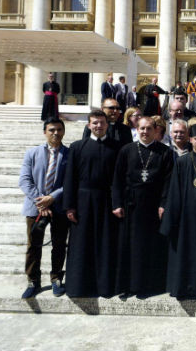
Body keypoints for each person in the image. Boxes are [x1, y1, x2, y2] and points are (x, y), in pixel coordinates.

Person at [112, 116, 174, 297]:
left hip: (154, 206)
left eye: (149, 128)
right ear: (137, 129)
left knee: (150, 246)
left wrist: (163, 204)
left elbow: (168, 181)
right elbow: (117, 179)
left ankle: (149, 286)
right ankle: (128, 286)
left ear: (156, 130)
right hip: (130, 205)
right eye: (142, 128)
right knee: (130, 246)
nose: (145, 132)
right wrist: (117, 203)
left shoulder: (164, 152)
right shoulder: (126, 150)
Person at [63, 110, 121, 297]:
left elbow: (118, 180)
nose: (99, 126)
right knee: (81, 244)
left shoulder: (116, 148)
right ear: (89, 125)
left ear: (107, 125)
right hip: (82, 202)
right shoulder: (77, 147)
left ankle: (104, 287)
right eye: (95, 123)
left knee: (105, 243)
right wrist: (69, 206)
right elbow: (70, 178)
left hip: (106, 201)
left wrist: (117, 203)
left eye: (102, 122)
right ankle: (79, 287)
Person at [160, 124, 196, 299]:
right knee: (185, 251)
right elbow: (174, 191)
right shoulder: (182, 162)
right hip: (186, 217)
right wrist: (172, 218)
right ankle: (184, 288)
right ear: (190, 140)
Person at [19, 117, 70, 298]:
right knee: (33, 245)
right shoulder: (32, 153)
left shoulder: (70, 154)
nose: (55, 133)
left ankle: (56, 278)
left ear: (63, 131)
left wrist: (52, 197)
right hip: (35, 207)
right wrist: (40, 201)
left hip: (59, 207)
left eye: (59, 129)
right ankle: (33, 280)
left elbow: (71, 181)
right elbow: (24, 180)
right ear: (44, 132)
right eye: (51, 130)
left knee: (59, 244)